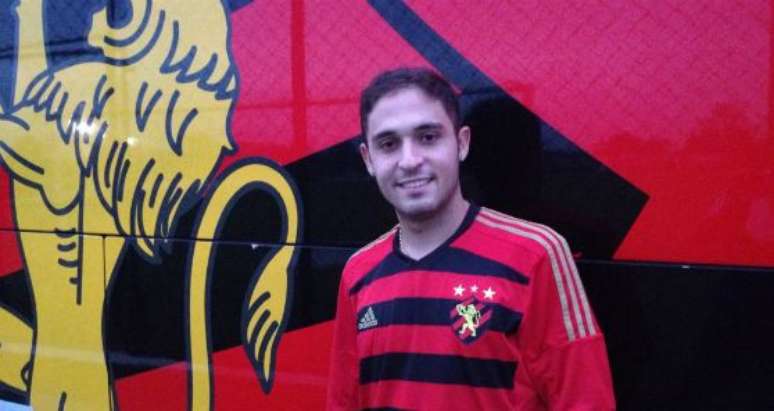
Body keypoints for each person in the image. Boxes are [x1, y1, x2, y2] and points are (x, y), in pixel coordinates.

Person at [327, 67, 615, 410]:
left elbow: (585, 400)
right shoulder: (358, 273)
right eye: (388, 144)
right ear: (368, 160)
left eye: (428, 137)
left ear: (461, 143)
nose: (410, 160)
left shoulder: (536, 255)